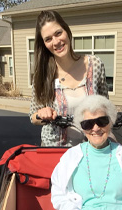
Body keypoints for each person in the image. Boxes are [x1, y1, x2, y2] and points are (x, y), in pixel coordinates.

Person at [29, 10, 109, 147]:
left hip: (91, 148)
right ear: (44, 44)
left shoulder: (94, 65)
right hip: (55, 151)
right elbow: (33, 116)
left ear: (67, 31)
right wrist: (42, 114)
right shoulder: (42, 74)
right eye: (48, 39)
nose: (55, 42)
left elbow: (105, 105)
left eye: (58, 33)